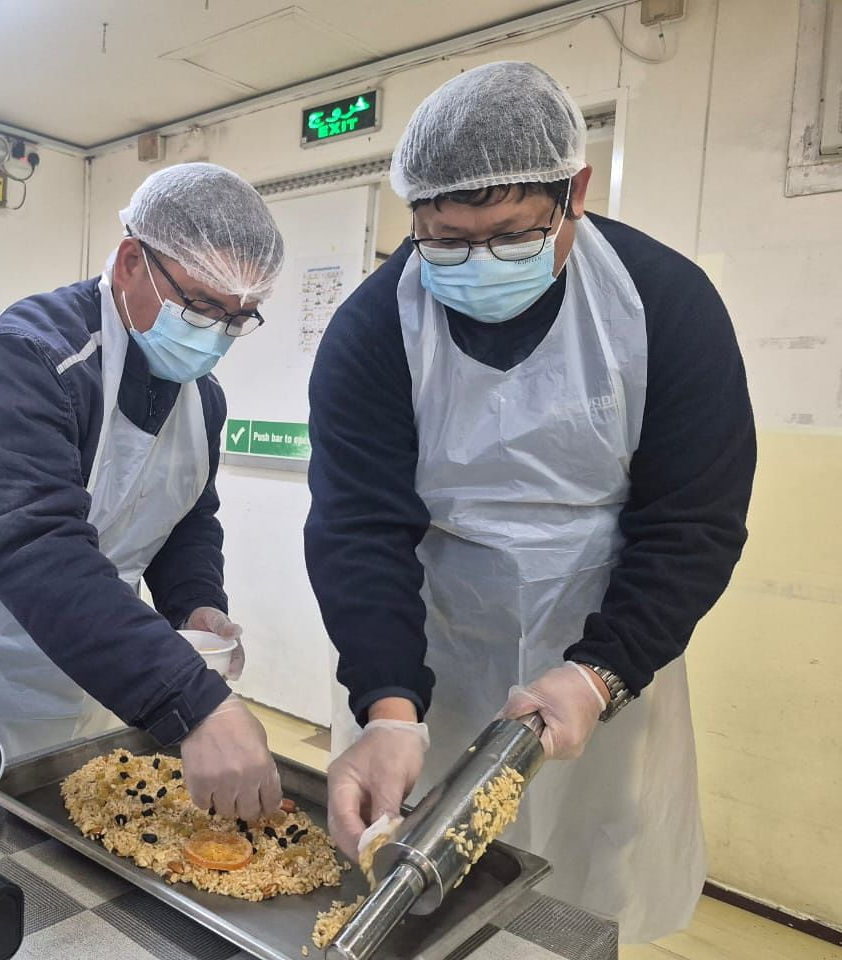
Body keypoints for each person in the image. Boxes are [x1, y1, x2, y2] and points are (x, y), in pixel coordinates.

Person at [304, 61, 755, 941]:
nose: (477, 264)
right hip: (433, 629)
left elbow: (691, 521)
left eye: (511, 235)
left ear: (575, 193)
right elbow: (360, 525)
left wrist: (603, 669)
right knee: (413, 870)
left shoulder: (663, 305)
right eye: (445, 241)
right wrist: (389, 703)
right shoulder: (372, 328)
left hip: (603, 628)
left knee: (583, 879)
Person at [0, 162, 287, 821]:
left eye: (238, 317)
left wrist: (195, 607)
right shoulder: (27, 355)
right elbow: (37, 548)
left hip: (60, 655)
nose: (215, 335)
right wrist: (195, 703)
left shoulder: (203, 400)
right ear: (133, 261)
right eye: (199, 305)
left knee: (31, 842)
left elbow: (187, 517)